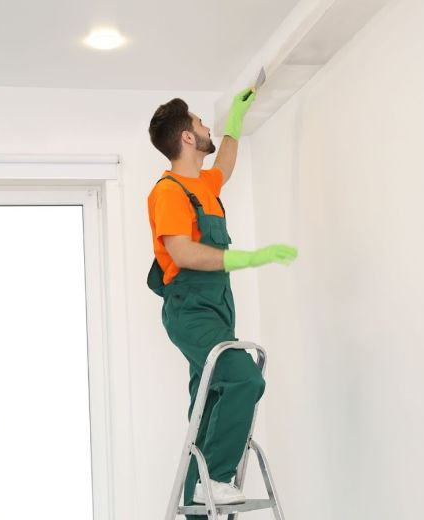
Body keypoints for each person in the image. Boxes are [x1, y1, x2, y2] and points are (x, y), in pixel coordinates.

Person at [146, 89, 298, 516]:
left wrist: (236, 121)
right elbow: (182, 253)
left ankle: (199, 496)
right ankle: (214, 479)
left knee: (210, 398)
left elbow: (225, 163)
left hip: (217, 308)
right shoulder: (170, 192)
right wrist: (249, 258)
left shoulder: (203, 185)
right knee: (245, 380)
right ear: (188, 139)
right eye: (200, 123)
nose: (205, 126)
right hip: (190, 309)